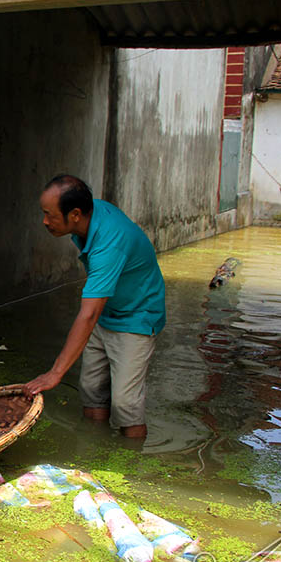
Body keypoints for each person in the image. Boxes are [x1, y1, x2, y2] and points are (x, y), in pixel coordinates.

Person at [24, 175, 165, 439]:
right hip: (108, 311)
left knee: (125, 404)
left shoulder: (109, 241)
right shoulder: (87, 217)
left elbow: (88, 315)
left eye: (49, 215)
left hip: (137, 316)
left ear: (75, 214)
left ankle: (131, 466)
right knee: (90, 390)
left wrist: (55, 373)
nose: (45, 221)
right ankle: (93, 450)